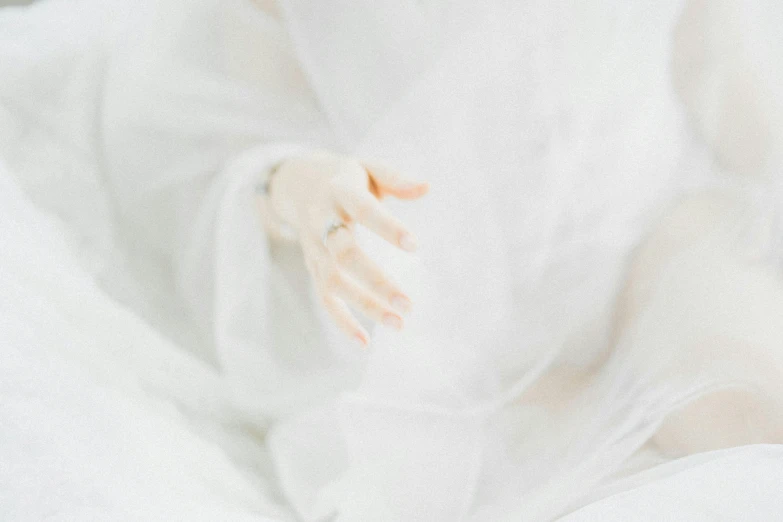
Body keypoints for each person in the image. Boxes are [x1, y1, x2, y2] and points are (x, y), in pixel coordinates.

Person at [0, 0, 782, 520]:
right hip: (431, 296)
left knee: (742, 409)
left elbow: (705, 57)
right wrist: (302, 189)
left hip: (648, 230)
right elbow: (227, 135)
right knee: (467, 482)